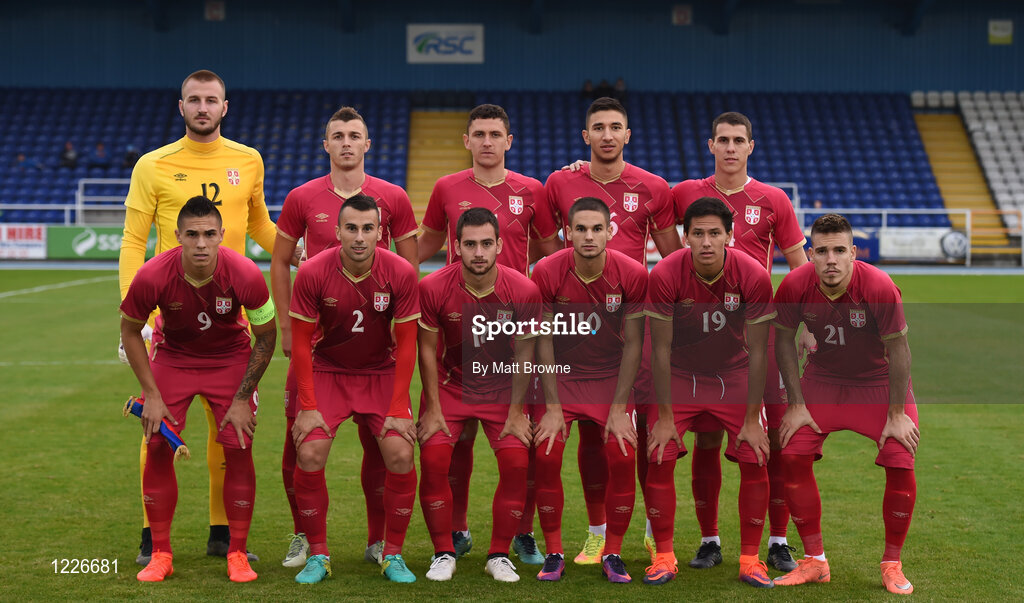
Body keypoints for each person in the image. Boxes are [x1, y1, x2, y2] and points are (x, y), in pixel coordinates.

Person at [118, 69, 279, 565]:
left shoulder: (248, 159)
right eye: (194, 100)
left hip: (233, 316)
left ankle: (221, 530)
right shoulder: (152, 165)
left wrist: (308, 256)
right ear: (181, 106)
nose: (203, 107)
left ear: (225, 107)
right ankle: (152, 535)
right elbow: (132, 240)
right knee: (157, 424)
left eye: (212, 100)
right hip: (172, 318)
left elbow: (260, 227)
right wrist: (137, 315)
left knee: (228, 428)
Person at [271, 106, 419, 570]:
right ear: (327, 144)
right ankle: (304, 535)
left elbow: (409, 271)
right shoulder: (302, 197)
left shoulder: (392, 197)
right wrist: (282, 323)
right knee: (298, 443)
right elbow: (279, 261)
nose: (347, 142)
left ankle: (381, 543)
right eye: (338, 135)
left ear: (368, 143)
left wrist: (394, 325)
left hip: (377, 347)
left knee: (385, 447)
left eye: (356, 135)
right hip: (316, 344)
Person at [418, 104, 559, 563]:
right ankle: (456, 530)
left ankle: (523, 532)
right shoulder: (445, 188)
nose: (486, 142)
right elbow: (427, 244)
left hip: (516, 327)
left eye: (495, 133)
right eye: (478, 133)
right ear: (466, 141)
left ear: (508, 141)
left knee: (527, 440)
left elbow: (547, 250)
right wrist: (380, 259)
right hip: (459, 323)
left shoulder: (531, 190)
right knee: (453, 446)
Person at [671, 111, 810, 572]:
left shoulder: (773, 199)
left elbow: (798, 262)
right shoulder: (685, 193)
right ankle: (710, 541)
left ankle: (777, 540)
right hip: (700, 340)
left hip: (758, 337)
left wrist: (806, 321)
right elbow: (638, 206)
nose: (730, 148)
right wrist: (579, 168)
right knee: (707, 439)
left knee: (771, 440)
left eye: (739, 141)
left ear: (751, 146)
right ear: (710, 145)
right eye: (723, 140)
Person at [544, 95, 681, 565]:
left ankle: (649, 527)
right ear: (586, 136)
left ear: (627, 134)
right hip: (579, 336)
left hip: (633, 328)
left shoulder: (653, 187)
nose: (606, 134)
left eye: (615, 127)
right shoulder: (560, 182)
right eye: (597, 127)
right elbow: (544, 252)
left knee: (642, 432)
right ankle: (597, 530)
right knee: (590, 437)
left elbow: (672, 257)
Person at [771, 213, 919, 595]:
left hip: (878, 383)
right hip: (823, 381)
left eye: (839, 250)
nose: (831, 259)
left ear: (853, 253)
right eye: (822, 251)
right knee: (792, 453)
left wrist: (897, 413)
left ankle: (892, 563)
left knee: (901, 457)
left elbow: (899, 351)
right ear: (811, 253)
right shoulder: (794, 284)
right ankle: (815, 561)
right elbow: (783, 341)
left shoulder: (879, 285)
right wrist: (796, 403)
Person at [287, 195, 420, 584]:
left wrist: (398, 406)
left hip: (380, 372)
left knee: (399, 451)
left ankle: (391, 553)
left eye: (368, 229)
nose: (359, 237)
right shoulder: (312, 271)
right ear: (337, 231)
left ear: (381, 232)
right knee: (309, 450)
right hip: (329, 371)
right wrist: (308, 405)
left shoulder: (400, 272)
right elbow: (300, 343)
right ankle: (319, 554)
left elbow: (408, 343)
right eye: (352, 228)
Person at [645, 197, 776, 588]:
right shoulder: (666, 274)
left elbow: (758, 354)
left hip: (733, 373)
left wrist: (752, 420)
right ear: (685, 237)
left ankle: (751, 559)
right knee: (659, 451)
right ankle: (665, 556)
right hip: (681, 374)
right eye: (697, 233)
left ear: (729, 236)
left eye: (714, 233)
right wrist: (666, 419)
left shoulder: (752, 275)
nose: (705, 242)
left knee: (755, 453)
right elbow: (660, 351)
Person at [416, 207, 540, 583]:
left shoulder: (523, 289)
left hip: (503, 388)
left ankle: (499, 554)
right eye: (470, 244)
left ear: (500, 244)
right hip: (452, 387)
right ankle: (443, 552)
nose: (479, 252)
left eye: (487, 243)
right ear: (456, 247)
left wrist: (517, 412)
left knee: (518, 463)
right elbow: (427, 353)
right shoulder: (433, 287)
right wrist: (433, 409)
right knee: (434, 457)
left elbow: (525, 355)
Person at [530, 197, 647, 583]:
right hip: (561, 378)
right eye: (580, 228)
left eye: (597, 228)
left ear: (611, 231)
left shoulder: (632, 274)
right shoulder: (546, 271)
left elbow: (634, 344)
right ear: (567, 232)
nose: (588, 236)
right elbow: (542, 339)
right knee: (546, 455)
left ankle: (612, 551)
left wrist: (618, 407)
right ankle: (553, 552)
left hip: (611, 378)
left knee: (622, 453)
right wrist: (551, 405)